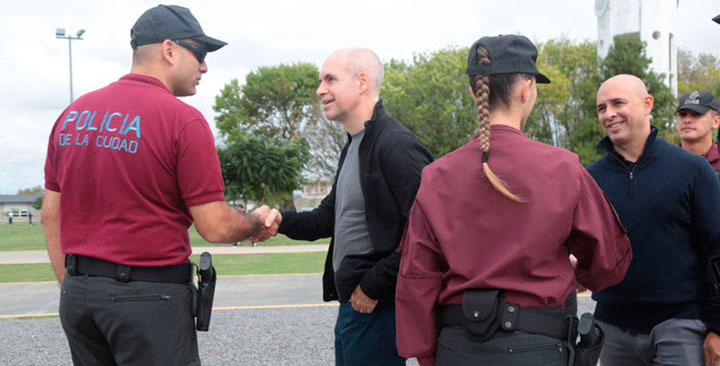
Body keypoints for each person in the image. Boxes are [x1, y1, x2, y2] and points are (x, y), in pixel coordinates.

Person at [42, 5, 280, 366]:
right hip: (149, 298)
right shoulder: (182, 120)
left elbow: (50, 214)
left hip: (79, 295)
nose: (204, 66)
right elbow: (215, 226)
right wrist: (254, 222)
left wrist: (72, 285)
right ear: (169, 50)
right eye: (199, 53)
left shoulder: (73, 114)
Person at [394, 34, 633, 366]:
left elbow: (416, 278)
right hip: (538, 348)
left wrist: (428, 354)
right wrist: (579, 277)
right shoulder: (562, 167)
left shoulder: (436, 175)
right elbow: (610, 256)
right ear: (526, 89)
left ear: (472, 92)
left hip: (457, 348)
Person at [265, 48, 433, 366]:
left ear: (361, 82)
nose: (320, 90)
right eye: (320, 80)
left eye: (330, 79)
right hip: (354, 307)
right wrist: (279, 220)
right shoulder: (355, 144)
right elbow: (328, 218)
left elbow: (428, 236)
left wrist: (373, 286)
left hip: (378, 307)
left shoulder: (395, 145)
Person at [587, 74, 720, 366]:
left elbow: (716, 251)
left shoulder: (693, 170)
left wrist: (718, 328)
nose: (609, 114)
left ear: (647, 104)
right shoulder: (590, 179)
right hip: (612, 329)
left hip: (680, 326)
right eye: (601, 108)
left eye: (618, 103)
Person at [675, 90, 720, 174]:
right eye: (682, 114)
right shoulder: (663, 161)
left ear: (716, 121)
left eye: (696, 114)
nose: (687, 120)